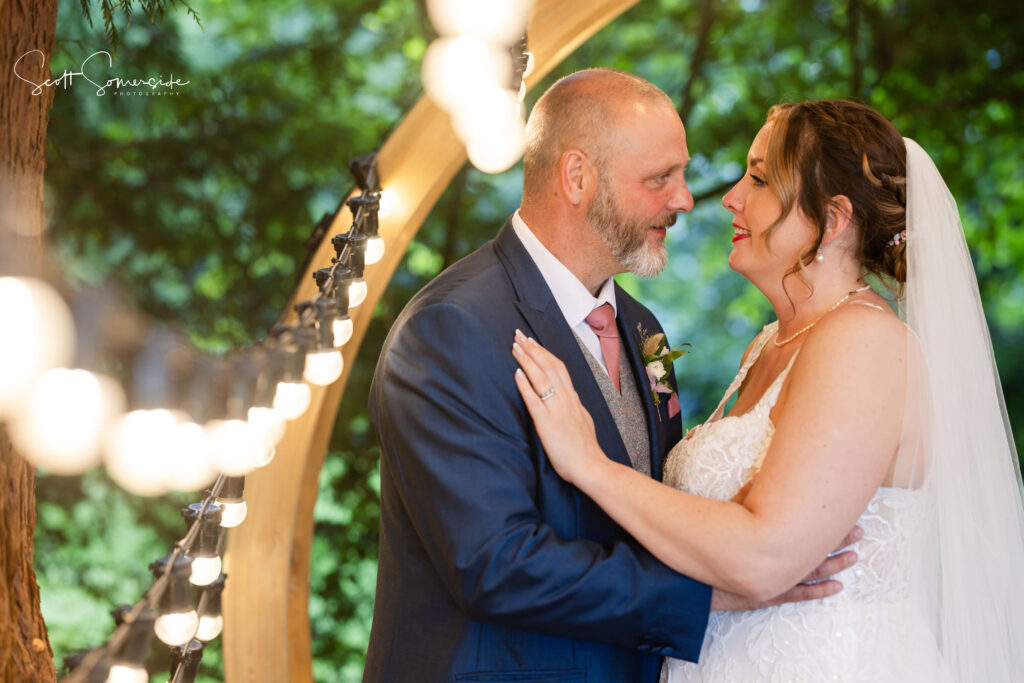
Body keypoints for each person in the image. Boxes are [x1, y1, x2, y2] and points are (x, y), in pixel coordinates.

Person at [364, 71, 854, 683]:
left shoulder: (643, 330)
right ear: (576, 177)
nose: (684, 199)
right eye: (659, 179)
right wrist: (717, 594)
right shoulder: (451, 328)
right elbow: (497, 564)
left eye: (681, 174)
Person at [511, 98, 1024, 681]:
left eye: (758, 178)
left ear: (832, 220)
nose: (730, 197)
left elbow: (762, 558)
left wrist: (590, 465)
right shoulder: (769, 344)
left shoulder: (865, 341)